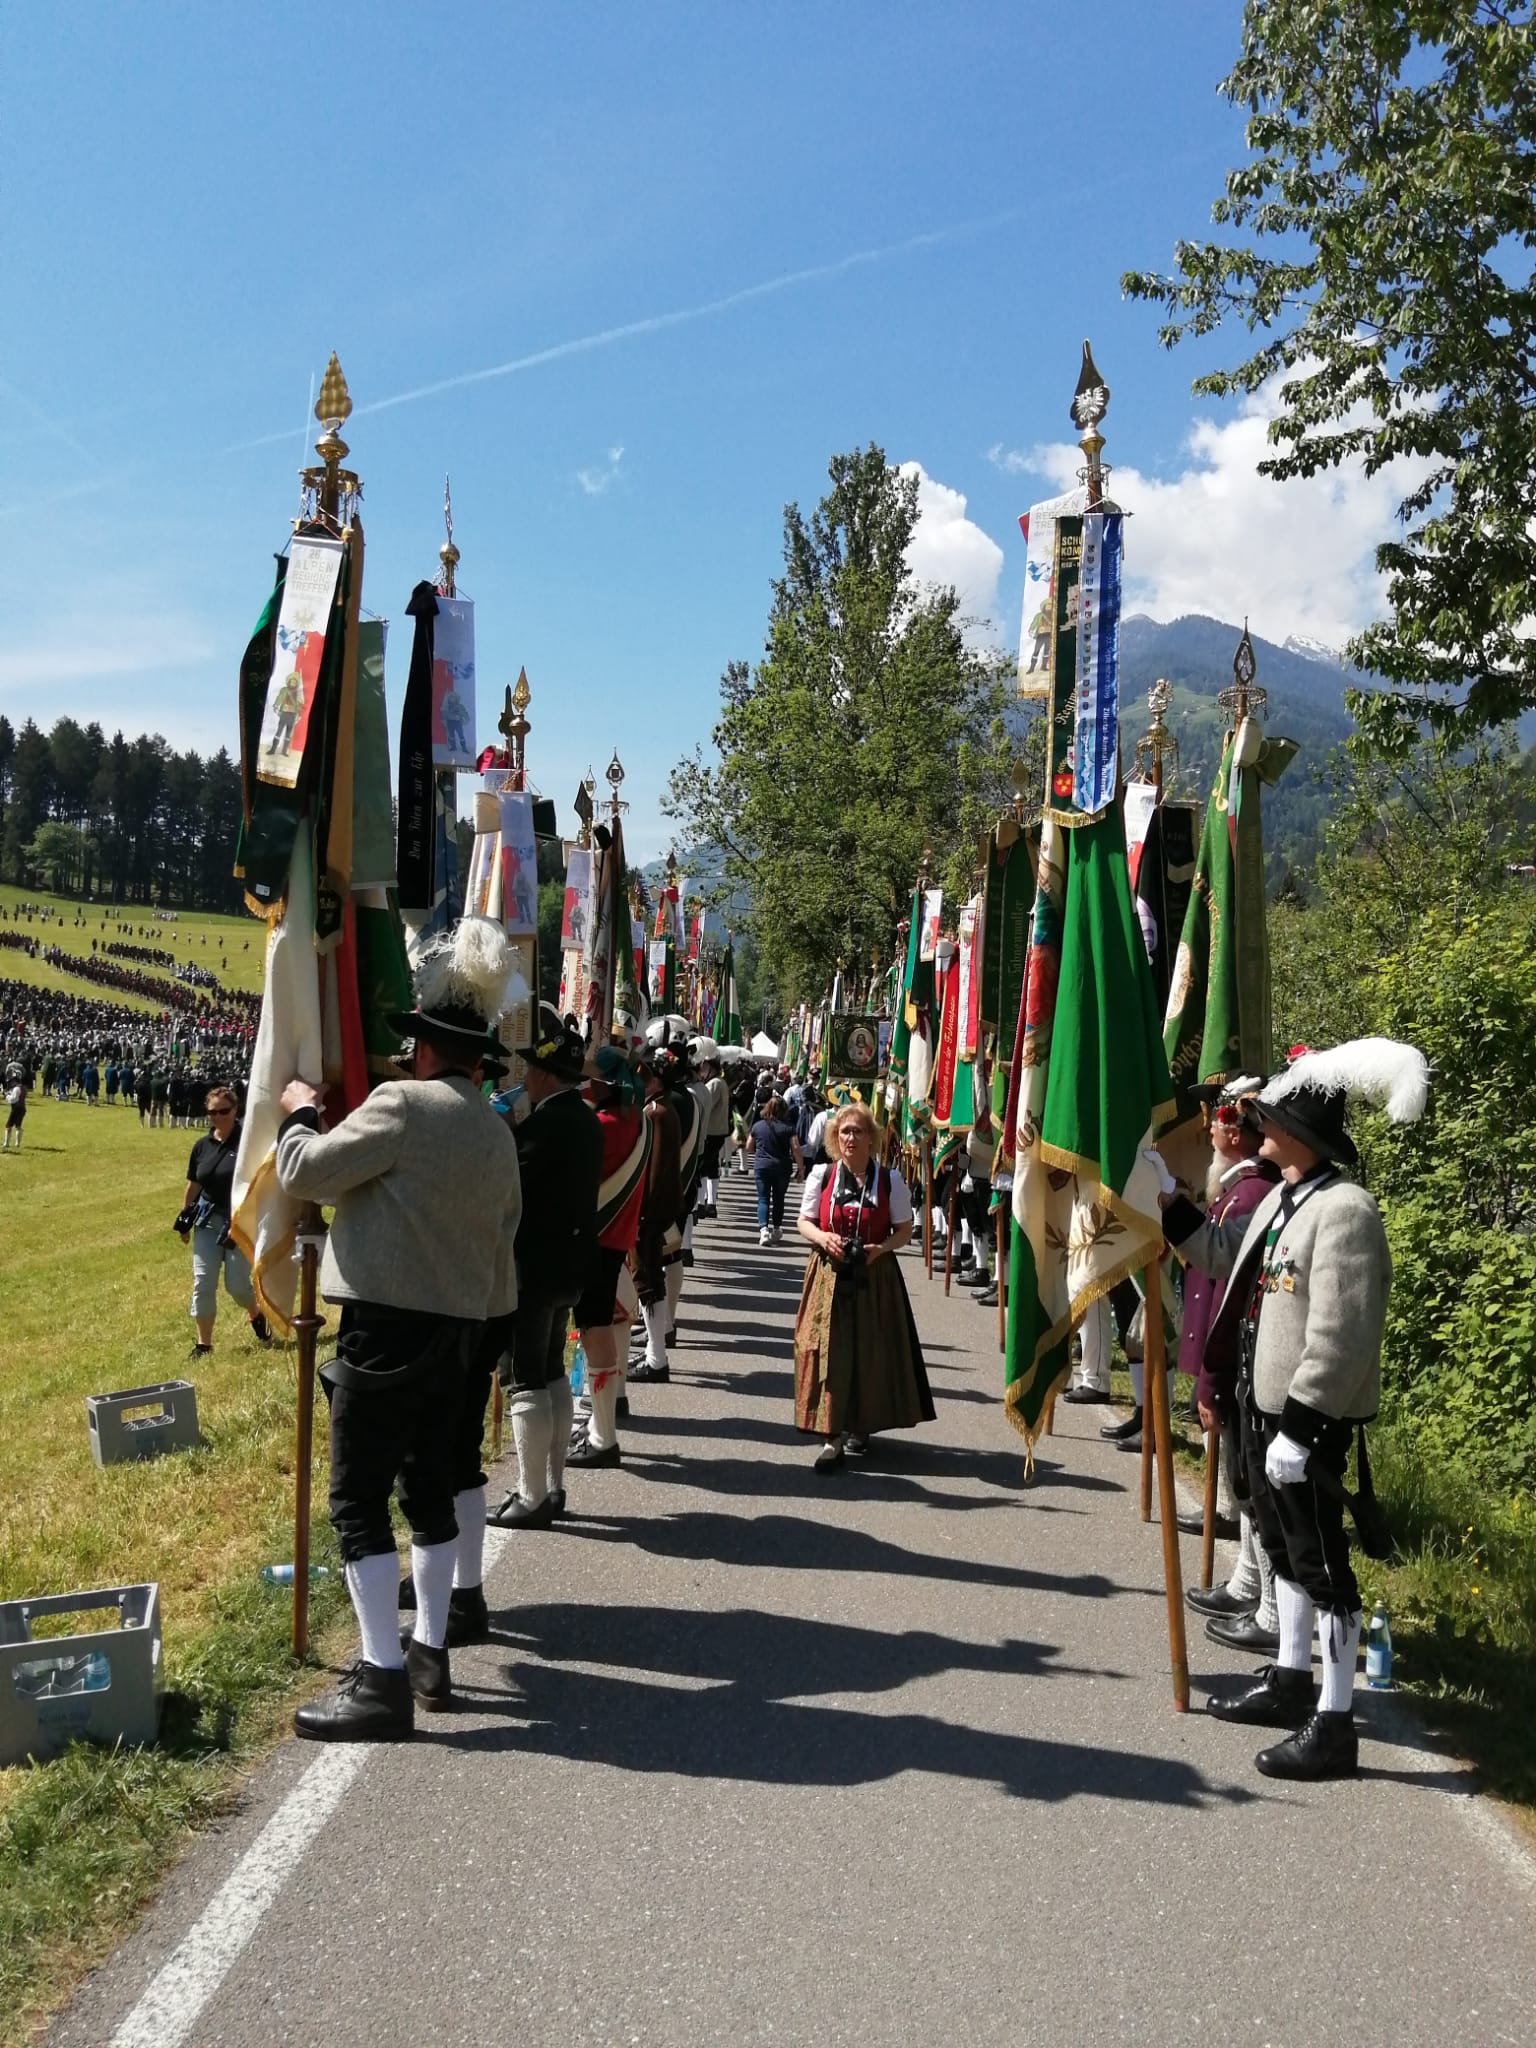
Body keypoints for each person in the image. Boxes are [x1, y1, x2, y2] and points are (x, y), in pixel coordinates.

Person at [274, 917, 524, 1742]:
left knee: (357, 1501)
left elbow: (306, 1171)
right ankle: (428, 1652)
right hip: (463, 1333)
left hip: (383, 1330)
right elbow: (504, 1241)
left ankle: (382, 1677)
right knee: (429, 1495)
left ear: (423, 1049)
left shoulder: (402, 1105)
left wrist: (298, 1115)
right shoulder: (496, 1131)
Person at [1160, 1038, 1426, 1781]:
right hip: (1261, 1407)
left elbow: (1343, 1332)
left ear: (1302, 1132)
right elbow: (1220, 1256)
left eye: (1270, 1119)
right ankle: (1289, 1680)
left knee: (1322, 1565)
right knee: (1283, 1552)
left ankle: (1335, 1724)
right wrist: (1169, 1204)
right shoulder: (1282, 1197)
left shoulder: (1345, 1211)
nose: (1258, 1127)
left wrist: (1304, 1428)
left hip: (1304, 1421)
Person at [487, 1007, 602, 1531]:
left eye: (531, 1069)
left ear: (546, 1075)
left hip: (532, 1266)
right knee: (553, 1370)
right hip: (569, 1265)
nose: (525, 1077)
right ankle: (551, 1487)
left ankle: (532, 1496)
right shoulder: (584, 1119)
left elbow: (509, 1180)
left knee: (526, 1377)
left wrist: (503, 1130)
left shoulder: (546, 1123)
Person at [1178, 1078, 1283, 1652]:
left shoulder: (1250, 1195)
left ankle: (1270, 1608)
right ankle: (1248, 1582)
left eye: (1219, 1121)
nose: (1211, 1129)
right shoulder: (1242, 1188)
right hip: (1236, 1361)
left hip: (1248, 1362)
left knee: (1258, 1489)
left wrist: (1212, 1376)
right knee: (1247, 1483)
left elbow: (1226, 1288)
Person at [794, 1100, 934, 1472]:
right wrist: (823, 1238)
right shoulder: (822, 1175)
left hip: (875, 1275)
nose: (851, 1138)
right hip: (828, 1275)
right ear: (834, 1138)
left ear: (871, 1138)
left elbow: (904, 1230)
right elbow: (804, 1221)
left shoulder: (889, 1180)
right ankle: (831, 1435)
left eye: (858, 1131)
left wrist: (881, 1249)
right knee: (827, 1350)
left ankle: (861, 1423)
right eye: (844, 1131)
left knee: (870, 1351)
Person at [567, 1045, 648, 1470]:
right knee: (609, 1324)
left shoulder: (604, 1125)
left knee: (593, 1329)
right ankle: (604, 1421)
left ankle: (602, 1437)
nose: (588, 1083)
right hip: (618, 1236)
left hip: (597, 1237)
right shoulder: (637, 1120)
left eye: (593, 1078)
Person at [180, 1085, 271, 1358]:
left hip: (240, 1222)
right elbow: (194, 1184)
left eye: (224, 1111)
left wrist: (247, 1219)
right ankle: (203, 1344)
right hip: (207, 1222)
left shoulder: (248, 1143)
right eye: (212, 1112)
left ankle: (255, 1312)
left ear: (235, 1109)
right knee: (203, 1282)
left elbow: (262, 1183)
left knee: (237, 1286)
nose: (217, 1117)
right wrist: (184, 1219)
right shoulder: (202, 1146)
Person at [629, 1049, 684, 1386]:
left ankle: (656, 1358)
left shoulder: (657, 1112)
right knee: (650, 1281)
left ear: (656, 1080)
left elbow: (656, 1171)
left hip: (650, 1211)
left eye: (645, 1075)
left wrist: (644, 1214)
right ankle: (654, 1351)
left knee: (647, 1280)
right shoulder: (661, 1108)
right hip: (656, 1209)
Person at [747, 1094, 800, 1245]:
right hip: (782, 1167)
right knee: (779, 1199)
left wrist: (760, 1151)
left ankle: (764, 1230)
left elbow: (749, 1147)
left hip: (762, 1166)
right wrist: (801, 1168)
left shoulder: (758, 1126)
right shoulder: (789, 1128)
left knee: (763, 1198)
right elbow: (796, 1148)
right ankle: (777, 1229)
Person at [692, 1039, 732, 1218]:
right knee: (711, 1167)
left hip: (710, 1131)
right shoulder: (719, 1082)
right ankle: (710, 1203)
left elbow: (703, 1104)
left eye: (705, 1066)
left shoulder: (714, 1084)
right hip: (718, 1131)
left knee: (703, 1168)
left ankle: (702, 1204)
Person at [3, 1066, 26, 1151]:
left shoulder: (16, 1088)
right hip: (22, 1109)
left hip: (16, 1108)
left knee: (8, 1125)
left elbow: (13, 1100)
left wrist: (7, 1096)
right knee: (18, 1125)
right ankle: (17, 1143)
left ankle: (6, 1143)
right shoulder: (22, 1087)